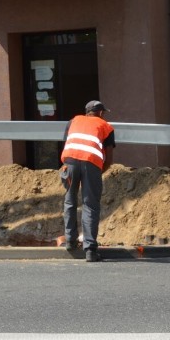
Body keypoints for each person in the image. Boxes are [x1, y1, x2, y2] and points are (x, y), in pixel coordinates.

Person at [59, 100, 116, 262]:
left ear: (86, 112)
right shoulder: (106, 126)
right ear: (101, 113)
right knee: (90, 204)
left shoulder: (73, 121)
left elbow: (68, 144)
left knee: (70, 201)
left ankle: (70, 242)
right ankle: (90, 249)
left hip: (69, 162)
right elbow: (109, 159)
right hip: (91, 164)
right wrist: (96, 173)